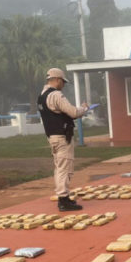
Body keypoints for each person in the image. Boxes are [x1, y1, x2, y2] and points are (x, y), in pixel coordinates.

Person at [37, 67, 88, 211]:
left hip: (52, 136)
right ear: (58, 80)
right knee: (64, 169)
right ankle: (63, 200)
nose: (63, 85)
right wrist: (84, 109)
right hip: (61, 136)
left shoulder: (42, 95)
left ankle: (64, 198)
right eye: (63, 82)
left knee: (60, 168)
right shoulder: (56, 95)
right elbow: (72, 112)